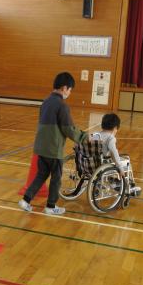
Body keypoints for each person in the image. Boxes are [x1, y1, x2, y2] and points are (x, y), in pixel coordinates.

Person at [18, 72, 87, 215]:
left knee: (41, 175)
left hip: (40, 147)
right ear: (64, 88)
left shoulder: (45, 102)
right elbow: (68, 129)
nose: (69, 93)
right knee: (56, 178)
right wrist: (84, 137)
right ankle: (51, 206)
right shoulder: (62, 106)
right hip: (53, 149)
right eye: (70, 90)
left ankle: (25, 200)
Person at [88, 113, 140, 196]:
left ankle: (111, 181)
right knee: (127, 163)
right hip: (103, 165)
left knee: (111, 160)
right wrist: (120, 168)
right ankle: (127, 186)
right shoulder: (111, 138)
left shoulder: (95, 135)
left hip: (91, 164)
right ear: (115, 128)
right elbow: (114, 152)